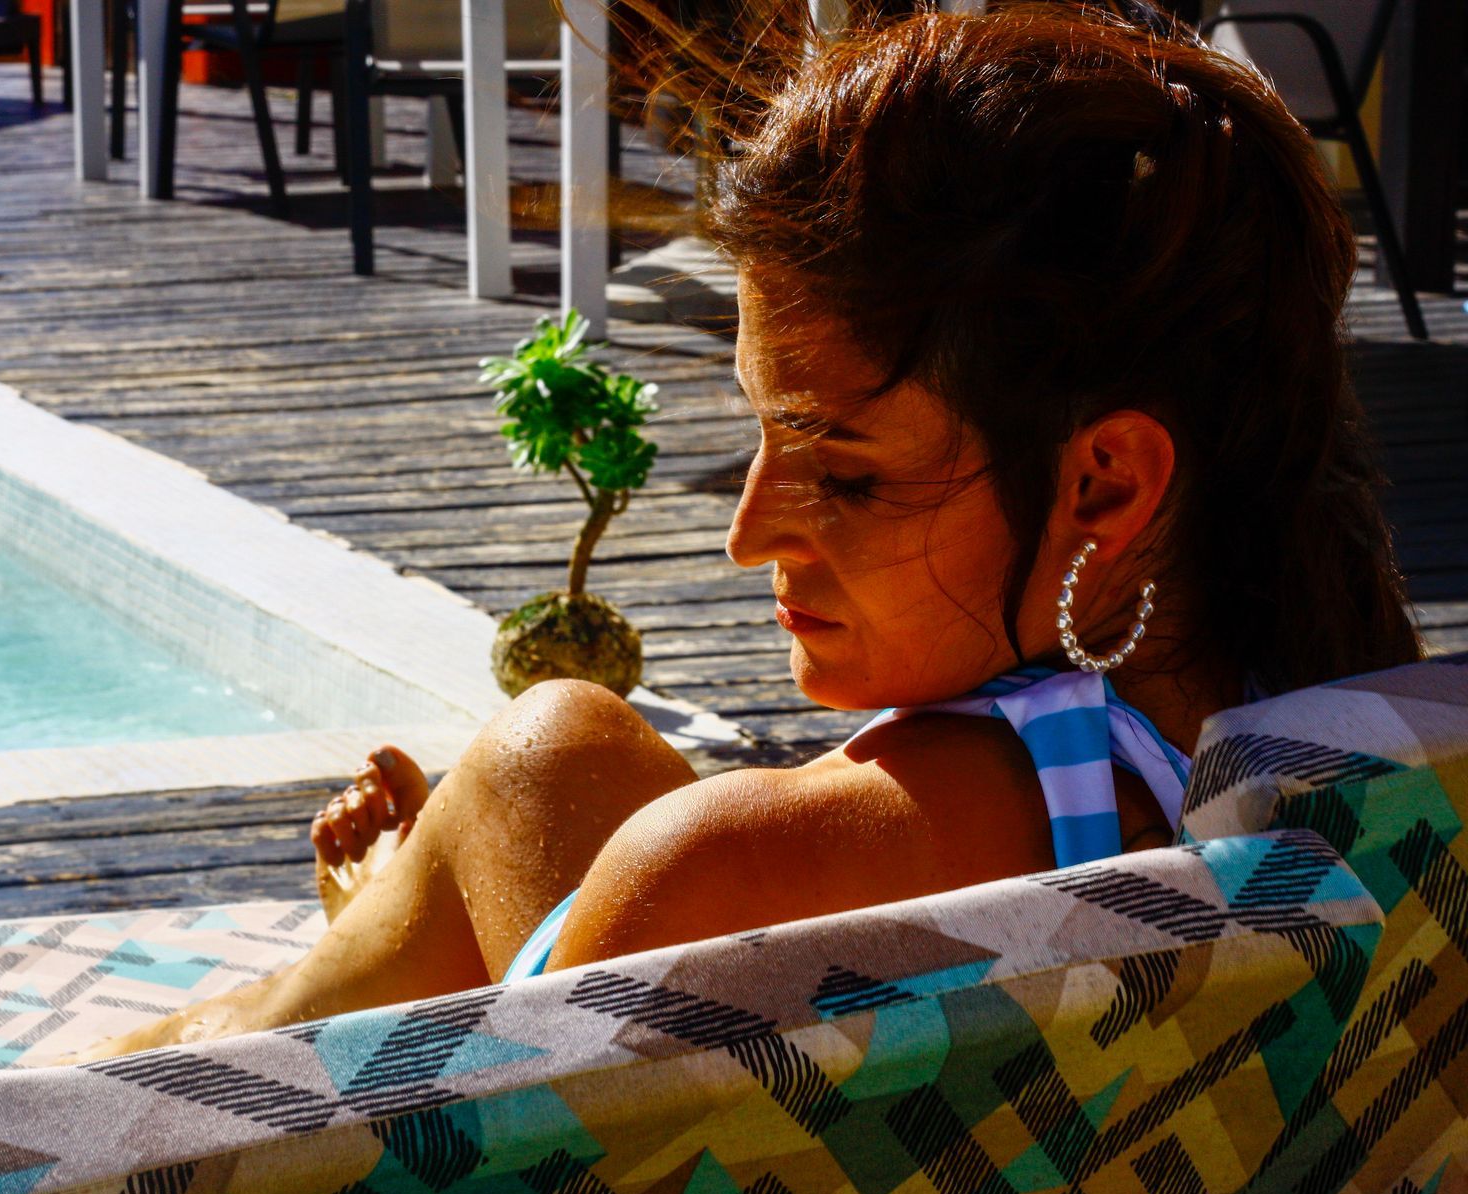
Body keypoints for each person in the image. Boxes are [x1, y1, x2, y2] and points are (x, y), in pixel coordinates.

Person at [72, 3, 1422, 1059]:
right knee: (563, 757)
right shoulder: (1366, 738)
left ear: (1105, 486)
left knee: (541, 746)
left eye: (843, 473)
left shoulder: (726, 870)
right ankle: (374, 934)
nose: (746, 535)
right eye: (758, 436)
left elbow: (418, 1183)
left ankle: (350, 957)